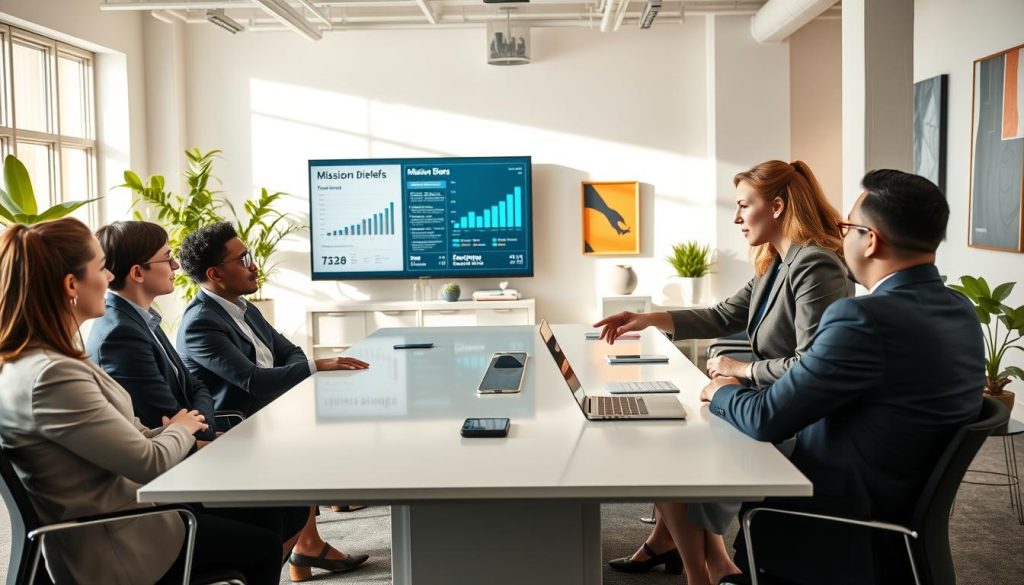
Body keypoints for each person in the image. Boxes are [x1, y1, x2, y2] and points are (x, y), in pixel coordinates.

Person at [700, 169, 984, 584]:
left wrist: (722, 389)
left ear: (871, 240)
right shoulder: (960, 310)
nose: (840, 234)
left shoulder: (861, 319)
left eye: (847, 226)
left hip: (838, 523)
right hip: (898, 513)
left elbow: (766, 419)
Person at [0, 218, 303, 585]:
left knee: (266, 515)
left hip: (126, 516)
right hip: (120, 541)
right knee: (264, 543)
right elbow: (149, 462)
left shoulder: (42, 361)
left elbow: (133, 429)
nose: (110, 279)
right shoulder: (52, 375)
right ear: (71, 285)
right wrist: (183, 428)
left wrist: (175, 429)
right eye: (100, 269)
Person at [594, 160, 853, 585]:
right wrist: (645, 318)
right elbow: (721, 315)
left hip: (796, 416)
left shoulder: (815, 265)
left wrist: (743, 370)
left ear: (777, 206)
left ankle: (700, 566)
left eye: (743, 206)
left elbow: (812, 363)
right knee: (674, 433)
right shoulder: (776, 263)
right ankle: (697, 558)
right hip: (769, 398)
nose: (736, 218)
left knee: (677, 446)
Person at [176, 221, 370, 582]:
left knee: (325, 439)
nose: (254, 265)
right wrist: (317, 365)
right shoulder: (200, 322)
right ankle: (269, 566)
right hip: (237, 427)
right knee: (314, 449)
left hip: (268, 414)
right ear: (215, 273)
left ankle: (304, 547)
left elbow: (289, 351)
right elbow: (251, 379)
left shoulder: (243, 307)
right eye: (243, 258)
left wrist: (301, 368)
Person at [87, 221, 217, 443]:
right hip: (170, 464)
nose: (176, 265)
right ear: (137, 272)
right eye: (167, 258)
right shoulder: (120, 335)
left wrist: (204, 430)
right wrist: (206, 434)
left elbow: (196, 386)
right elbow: (165, 418)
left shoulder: (142, 318)